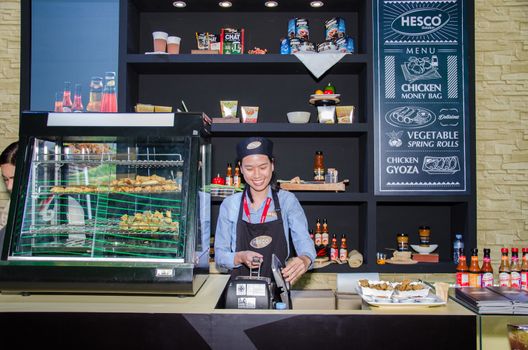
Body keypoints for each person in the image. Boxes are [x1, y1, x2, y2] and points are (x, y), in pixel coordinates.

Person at [214, 137, 316, 285]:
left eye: (263, 167)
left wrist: (305, 259)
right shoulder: (230, 205)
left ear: (272, 165)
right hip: (239, 291)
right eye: (249, 169)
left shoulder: (287, 201)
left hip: (277, 289)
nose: (257, 175)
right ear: (240, 169)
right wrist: (240, 257)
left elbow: (304, 242)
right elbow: (220, 256)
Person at [0, 141, 18, 247]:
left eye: (14, 178)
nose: (9, 186)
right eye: (5, 179)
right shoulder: (11, 204)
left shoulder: (64, 205)